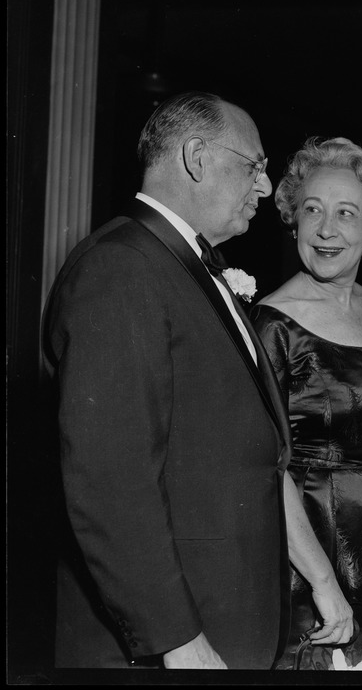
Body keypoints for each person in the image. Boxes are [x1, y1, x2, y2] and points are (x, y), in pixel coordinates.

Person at [43, 91, 310, 668]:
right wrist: (176, 639)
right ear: (195, 157)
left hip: (224, 611)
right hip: (177, 637)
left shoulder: (178, 265)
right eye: (256, 166)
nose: (266, 187)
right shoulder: (119, 269)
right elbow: (108, 480)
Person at [251, 136, 362, 671]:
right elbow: (262, 465)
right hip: (309, 543)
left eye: (346, 213)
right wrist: (321, 578)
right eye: (312, 211)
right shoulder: (271, 323)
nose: (327, 230)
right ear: (293, 222)